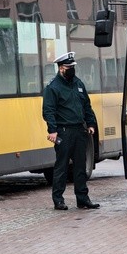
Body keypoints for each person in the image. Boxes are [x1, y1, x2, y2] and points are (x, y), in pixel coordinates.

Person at [42, 51, 100, 210]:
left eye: (73, 66)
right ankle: (58, 200)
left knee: (80, 167)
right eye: (69, 67)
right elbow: (48, 111)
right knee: (61, 167)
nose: (72, 69)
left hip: (80, 131)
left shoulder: (78, 84)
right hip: (64, 132)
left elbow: (87, 106)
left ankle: (83, 198)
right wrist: (52, 130)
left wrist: (91, 123)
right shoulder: (53, 87)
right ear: (61, 68)